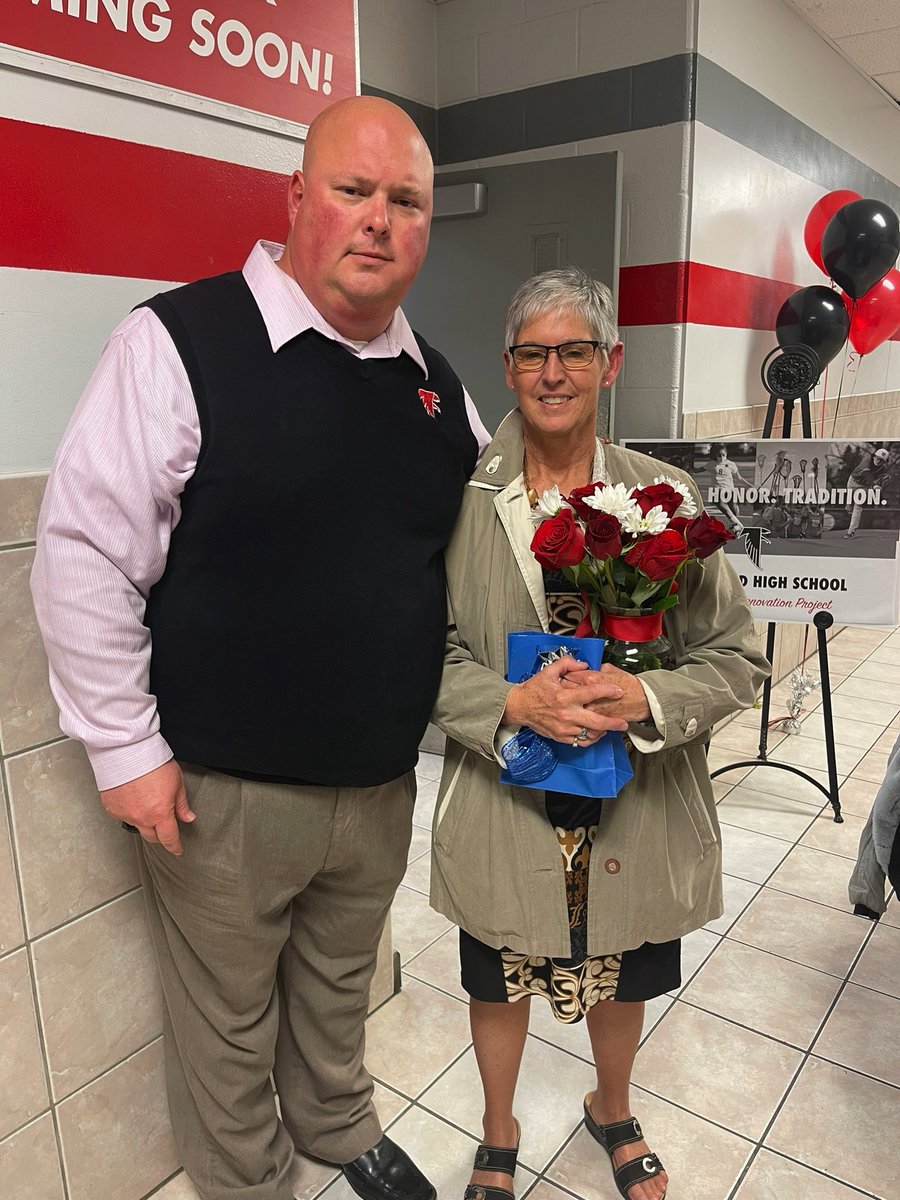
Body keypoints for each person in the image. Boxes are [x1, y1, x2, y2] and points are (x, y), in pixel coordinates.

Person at [30, 96, 489, 1200]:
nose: (379, 220)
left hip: (378, 781)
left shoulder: (439, 389)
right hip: (221, 793)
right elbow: (84, 552)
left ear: (427, 228)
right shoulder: (180, 341)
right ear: (297, 199)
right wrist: (123, 751)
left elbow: (479, 555)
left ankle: (337, 1123)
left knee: (339, 983)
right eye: (353, 190)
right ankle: (247, 1182)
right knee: (227, 1015)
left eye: (406, 201)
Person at [429, 268, 770, 1200]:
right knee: (497, 973)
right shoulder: (460, 499)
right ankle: (497, 1134)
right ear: (507, 367)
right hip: (510, 784)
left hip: (634, 795)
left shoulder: (666, 500)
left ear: (609, 363)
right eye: (533, 354)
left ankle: (611, 1109)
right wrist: (511, 704)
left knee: (624, 967)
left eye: (573, 351)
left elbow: (737, 659)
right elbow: (427, 655)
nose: (552, 373)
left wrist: (647, 699)